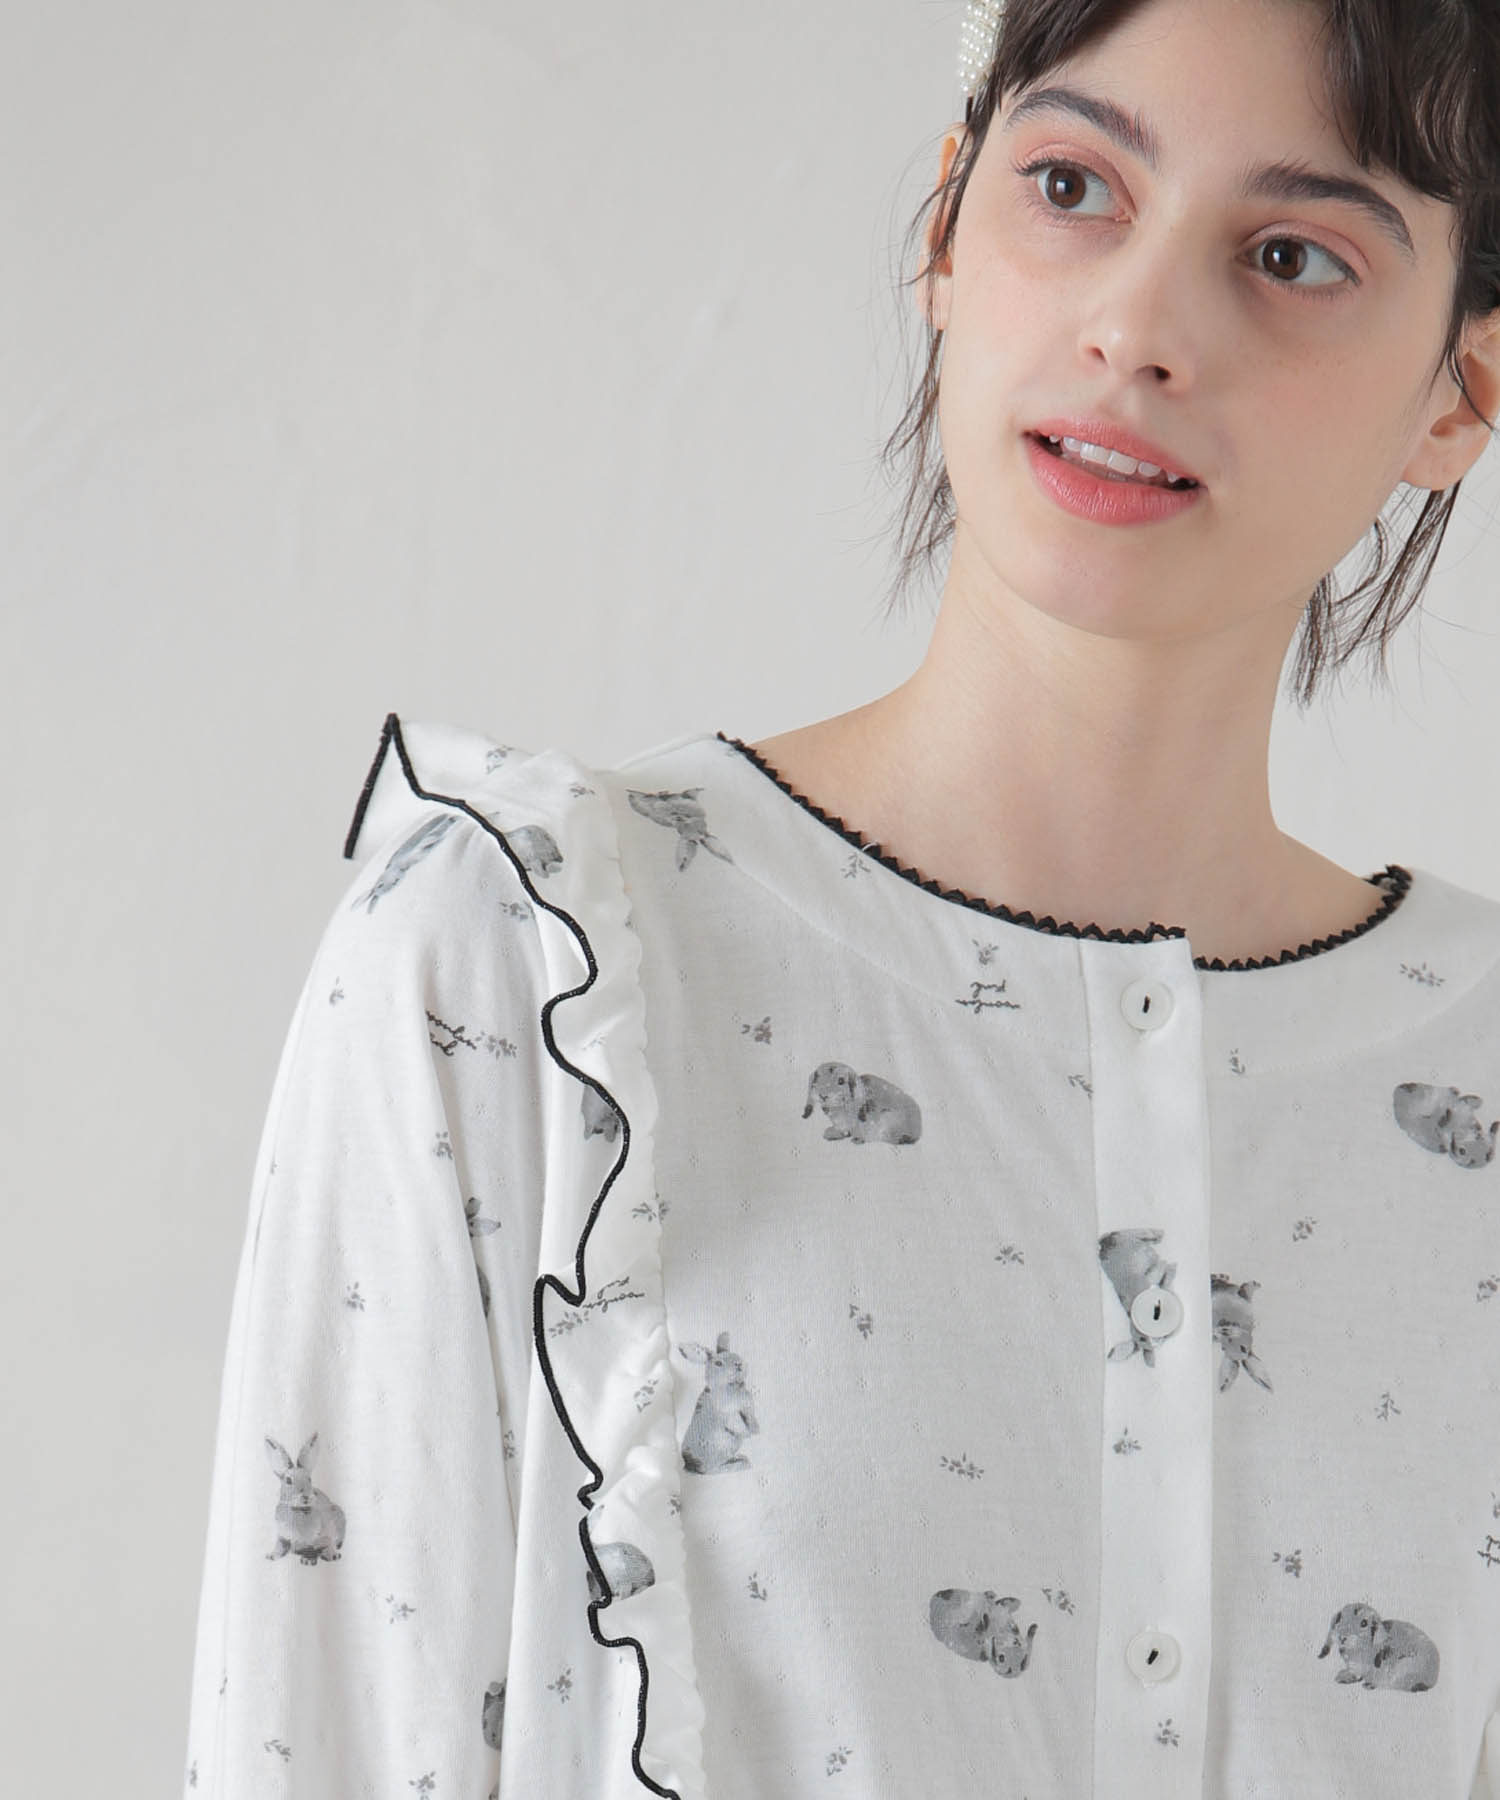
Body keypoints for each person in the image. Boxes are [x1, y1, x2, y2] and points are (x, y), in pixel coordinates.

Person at [184, 0, 1500, 1795]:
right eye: (1072, 187)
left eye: (1291, 256)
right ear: (944, 231)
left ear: (1460, 394)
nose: (1139, 328)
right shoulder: (530, 966)